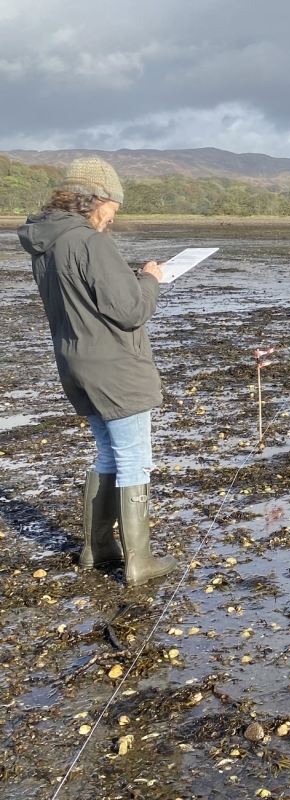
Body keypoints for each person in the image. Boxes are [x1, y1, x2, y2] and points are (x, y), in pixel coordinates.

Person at [17, 157, 177, 586]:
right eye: (114, 207)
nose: (114, 217)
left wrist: (128, 281)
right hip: (114, 367)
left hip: (74, 362)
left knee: (109, 454)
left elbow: (85, 298)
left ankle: (98, 549)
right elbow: (130, 312)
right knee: (134, 459)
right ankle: (139, 561)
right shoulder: (90, 241)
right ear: (97, 201)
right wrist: (149, 279)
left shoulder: (48, 242)